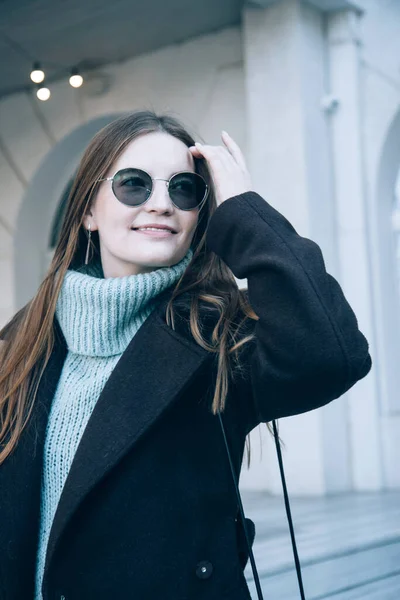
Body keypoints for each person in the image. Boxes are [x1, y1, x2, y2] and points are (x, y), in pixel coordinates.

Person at [0, 111, 371, 600]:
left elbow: (331, 354)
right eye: (133, 185)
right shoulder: (26, 339)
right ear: (88, 210)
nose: (161, 204)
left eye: (184, 190)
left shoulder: (220, 338)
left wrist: (242, 209)